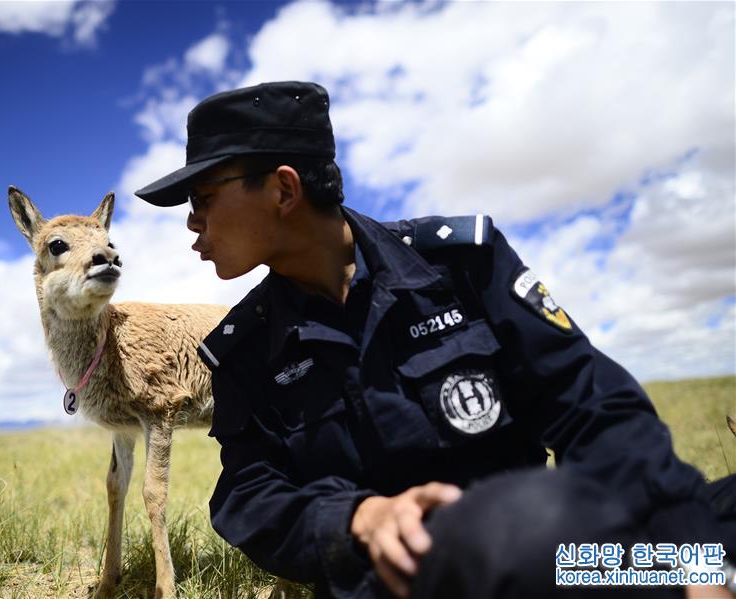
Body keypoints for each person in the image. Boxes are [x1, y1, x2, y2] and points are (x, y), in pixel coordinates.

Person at [135, 81, 735, 598]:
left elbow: (593, 406)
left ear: (284, 191)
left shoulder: (461, 267)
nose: (192, 223)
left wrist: (690, 555)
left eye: (204, 199)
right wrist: (357, 520)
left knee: (703, 522)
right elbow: (249, 491)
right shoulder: (244, 348)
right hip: (398, 578)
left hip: (545, 551)